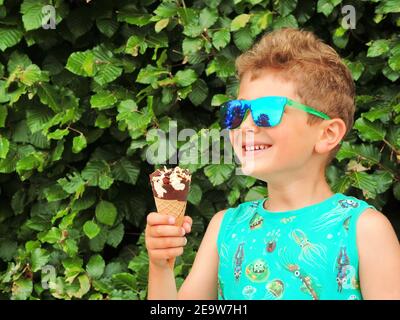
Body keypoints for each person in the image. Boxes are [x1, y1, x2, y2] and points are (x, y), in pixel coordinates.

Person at [145, 28, 400, 300]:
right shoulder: (225, 228)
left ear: (327, 134)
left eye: (267, 112)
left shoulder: (364, 229)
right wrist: (161, 266)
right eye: (237, 112)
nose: (245, 126)